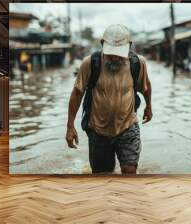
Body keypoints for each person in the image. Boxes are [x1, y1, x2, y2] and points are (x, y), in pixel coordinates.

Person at [65, 24, 152, 174]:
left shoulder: (138, 63)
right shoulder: (90, 63)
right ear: (102, 45)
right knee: (102, 176)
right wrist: (70, 126)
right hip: (98, 131)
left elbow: (146, 87)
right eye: (110, 53)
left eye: (119, 54)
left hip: (128, 127)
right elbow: (77, 94)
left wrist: (148, 107)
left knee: (130, 171)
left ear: (129, 47)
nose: (114, 58)